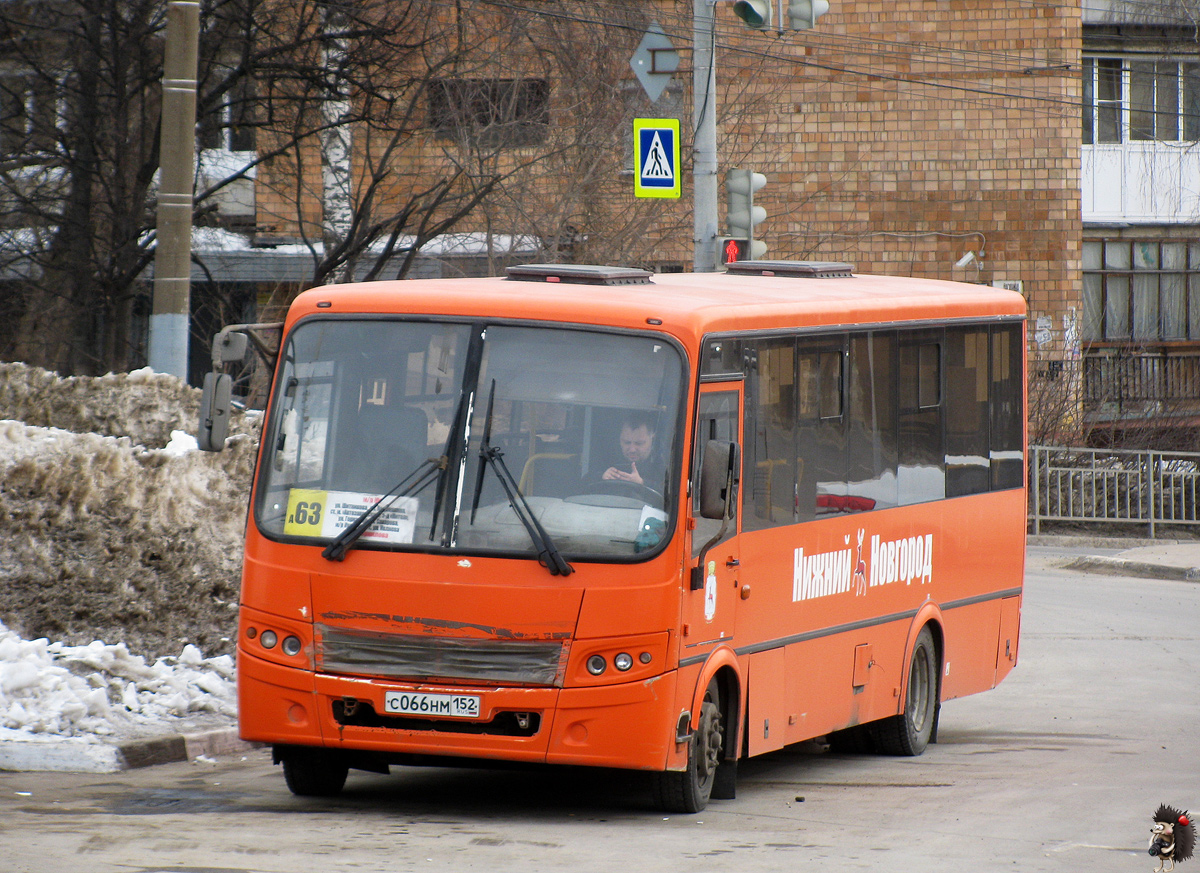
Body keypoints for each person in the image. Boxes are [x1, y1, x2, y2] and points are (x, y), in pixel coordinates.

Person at [601, 412, 664, 491]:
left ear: (653, 440)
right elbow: (583, 486)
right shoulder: (606, 460)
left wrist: (642, 483)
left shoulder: (665, 467)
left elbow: (671, 495)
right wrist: (601, 477)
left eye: (639, 443)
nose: (632, 450)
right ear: (620, 439)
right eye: (627, 442)